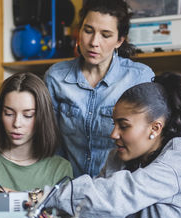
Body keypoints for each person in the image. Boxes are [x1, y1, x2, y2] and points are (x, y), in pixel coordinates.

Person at [44, 72, 181, 218]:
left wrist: (42, 197)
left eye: (124, 126)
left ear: (155, 128)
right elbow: (97, 202)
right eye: (114, 124)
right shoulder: (119, 158)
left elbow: (115, 197)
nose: (113, 134)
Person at [44, 0, 154, 177]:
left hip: (116, 189)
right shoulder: (56, 77)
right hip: (69, 187)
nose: (94, 42)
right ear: (79, 31)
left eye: (106, 35)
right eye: (88, 31)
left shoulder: (139, 78)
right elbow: (51, 142)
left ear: (119, 40)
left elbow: (149, 144)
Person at [0, 72, 73, 210]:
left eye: (28, 115)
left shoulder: (60, 169)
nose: (17, 123)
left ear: (42, 117)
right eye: (9, 114)